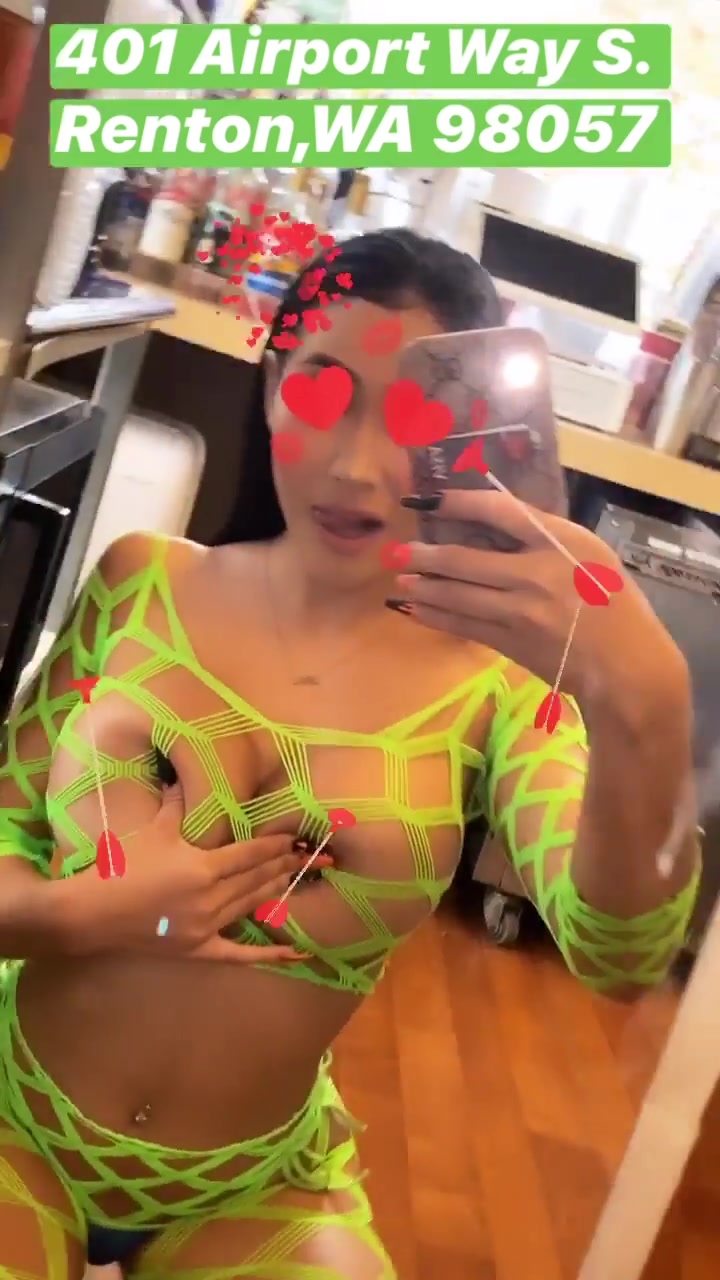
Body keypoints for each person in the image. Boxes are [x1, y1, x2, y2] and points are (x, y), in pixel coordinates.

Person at [0, 228, 700, 1280]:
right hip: (15, 1111)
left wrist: (647, 698)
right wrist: (93, 913)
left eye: (416, 417)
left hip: (253, 1185)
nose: (358, 466)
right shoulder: (141, 582)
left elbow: (621, 957)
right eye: (324, 392)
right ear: (272, 382)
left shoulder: (503, 691)